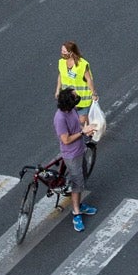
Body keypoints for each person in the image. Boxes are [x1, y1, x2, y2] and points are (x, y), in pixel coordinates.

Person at [53, 88, 98, 232]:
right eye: (75, 98)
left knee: (82, 178)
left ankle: (79, 203)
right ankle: (76, 212)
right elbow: (65, 140)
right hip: (71, 155)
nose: (77, 99)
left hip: (80, 150)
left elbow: (77, 125)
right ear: (68, 103)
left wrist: (85, 132)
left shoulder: (71, 110)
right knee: (77, 184)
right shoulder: (60, 118)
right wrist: (82, 132)